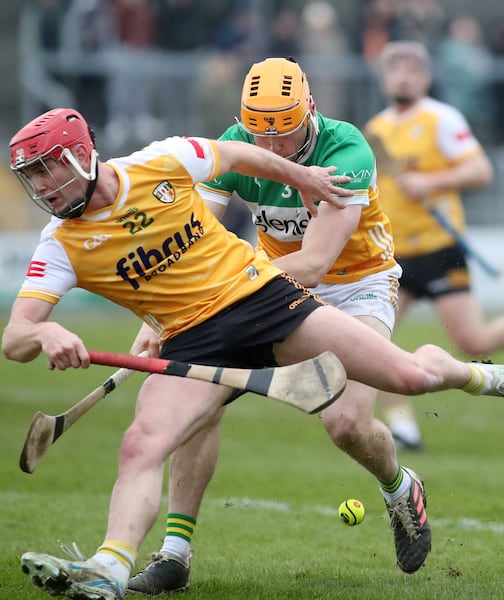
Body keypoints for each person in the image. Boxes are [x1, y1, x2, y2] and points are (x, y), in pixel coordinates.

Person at [4, 107, 504, 600]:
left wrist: (305, 176)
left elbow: (241, 154)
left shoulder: (161, 161)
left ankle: (471, 376)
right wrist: (47, 335)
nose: (43, 187)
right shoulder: (61, 244)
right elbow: (15, 337)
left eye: (47, 168)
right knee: (142, 443)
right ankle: (111, 568)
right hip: (193, 338)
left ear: (81, 156)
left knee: (408, 378)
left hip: (263, 297)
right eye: (31, 177)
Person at [126, 55, 409, 594]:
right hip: (266, 287)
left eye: (285, 133)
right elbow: (193, 236)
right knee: (194, 391)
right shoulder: (236, 144)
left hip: (356, 287)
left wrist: (223, 284)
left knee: (346, 424)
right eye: (261, 135)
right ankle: (175, 554)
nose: (273, 148)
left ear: (310, 111)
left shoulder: (346, 150)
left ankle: (397, 487)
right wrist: (163, 312)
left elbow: (315, 263)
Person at [364, 41, 504, 451]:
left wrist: (432, 182)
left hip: (440, 248)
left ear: (426, 78)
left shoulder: (441, 119)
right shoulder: (374, 130)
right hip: (392, 256)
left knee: (473, 342)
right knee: (376, 344)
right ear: (384, 78)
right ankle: (403, 425)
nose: (403, 77)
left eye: (412, 69)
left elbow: (481, 170)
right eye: (395, 70)